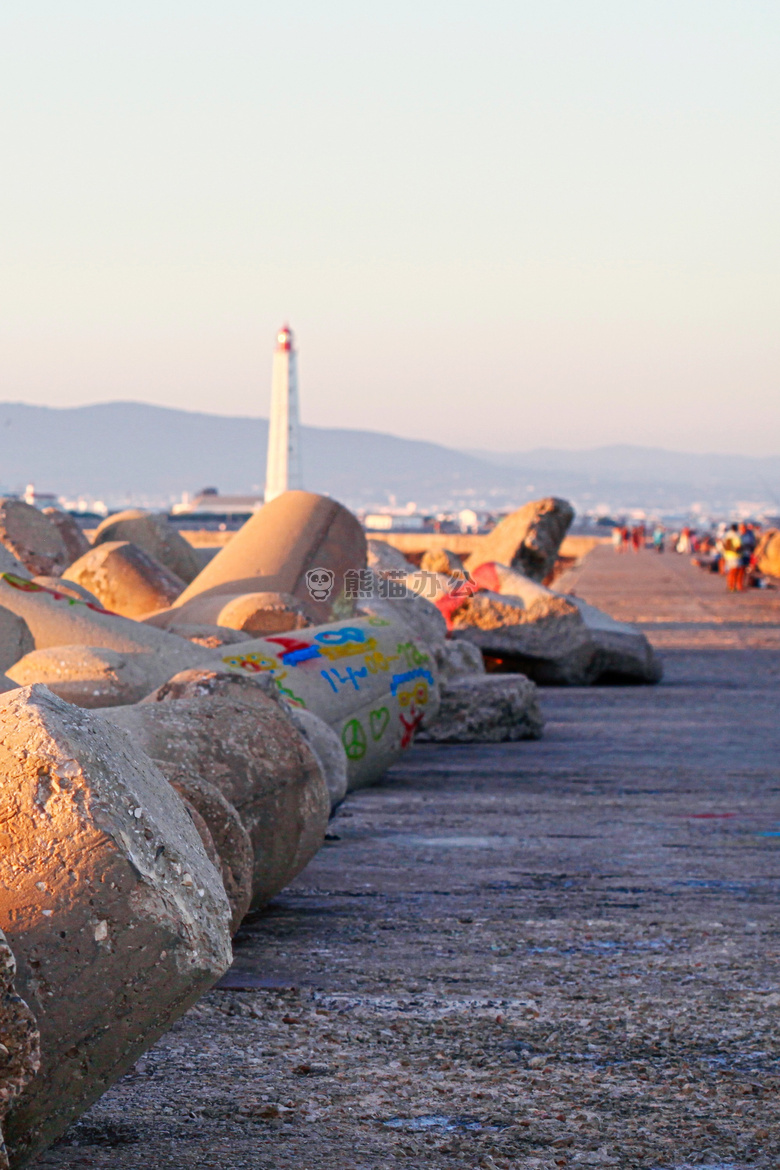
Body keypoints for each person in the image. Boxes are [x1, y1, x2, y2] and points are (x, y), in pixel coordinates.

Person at [721, 524, 742, 592]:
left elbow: (723, 544)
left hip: (727, 555)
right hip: (734, 555)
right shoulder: (736, 535)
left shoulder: (727, 534)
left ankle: (730, 585)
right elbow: (738, 546)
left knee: (730, 571)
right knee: (734, 571)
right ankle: (732, 586)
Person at [737, 522, 756, 592]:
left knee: (744, 570)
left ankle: (741, 584)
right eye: (742, 528)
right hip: (739, 555)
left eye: (744, 528)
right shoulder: (738, 535)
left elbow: (752, 543)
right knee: (740, 570)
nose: (743, 529)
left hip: (747, 554)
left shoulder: (749, 534)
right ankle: (738, 585)